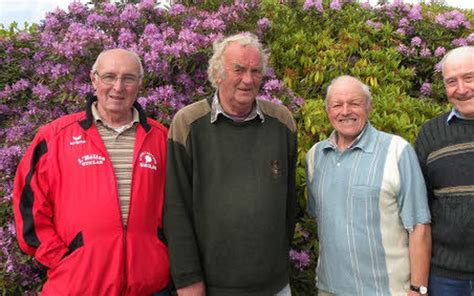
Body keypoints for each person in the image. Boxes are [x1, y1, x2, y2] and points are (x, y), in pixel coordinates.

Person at [12, 48, 170, 295]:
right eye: (109, 76)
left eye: (128, 78)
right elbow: (28, 206)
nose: (118, 86)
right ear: (94, 78)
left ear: (139, 84)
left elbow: (180, 208)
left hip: (149, 287)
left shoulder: (161, 138)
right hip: (76, 285)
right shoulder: (54, 136)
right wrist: (64, 259)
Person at [164, 32, 297, 296]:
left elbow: (288, 202)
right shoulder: (188, 124)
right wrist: (188, 280)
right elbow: (176, 210)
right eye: (239, 70)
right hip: (213, 287)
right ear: (217, 72)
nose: (248, 80)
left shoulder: (282, 122)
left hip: (275, 286)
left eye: (255, 71)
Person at [306, 75, 431, 295]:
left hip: (387, 290)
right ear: (328, 110)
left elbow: (419, 226)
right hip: (329, 288)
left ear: (369, 106)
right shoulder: (315, 156)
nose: (345, 111)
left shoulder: (397, 151)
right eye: (337, 105)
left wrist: (417, 288)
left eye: (354, 103)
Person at [415, 46, 474, 295]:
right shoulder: (430, 134)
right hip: (446, 276)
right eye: (451, 81)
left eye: (469, 77)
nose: (461, 89)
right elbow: (421, 207)